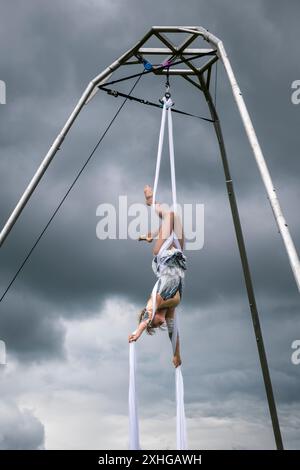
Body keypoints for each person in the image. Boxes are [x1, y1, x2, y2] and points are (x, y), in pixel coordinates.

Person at [128, 185, 186, 368]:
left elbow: (147, 315)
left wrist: (138, 332)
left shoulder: (155, 302)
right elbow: (173, 333)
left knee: (169, 215)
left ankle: (150, 201)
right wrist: (176, 355)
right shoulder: (169, 311)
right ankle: (150, 235)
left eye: (153, 325)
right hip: (178, 257)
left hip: (163, 256)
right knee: (175, 218)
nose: (159, 324)